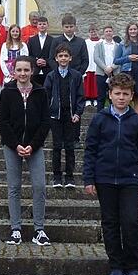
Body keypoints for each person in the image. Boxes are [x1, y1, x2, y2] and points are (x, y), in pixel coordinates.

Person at [83, 73, 138, 275]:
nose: (121, 97)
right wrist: (89, 178)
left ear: (131, 96)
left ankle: (132, 267)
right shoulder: (99, 119)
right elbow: (90, 150)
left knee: (130, 222)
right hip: (104, 178)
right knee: (110, 223)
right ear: (110, 95)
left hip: (130, 179)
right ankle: (115, 267)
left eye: (125, 94)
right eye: (117, 94)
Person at [0, 56, 50, 247]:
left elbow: (45, 122)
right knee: (14, 187)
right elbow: (3, 122)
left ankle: (39, 229)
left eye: (26, 70)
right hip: (12, 146)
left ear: (32, 71)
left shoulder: (40, 91)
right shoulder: (7, 92)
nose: (22, 74)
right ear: (14, 72)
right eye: (19, 70)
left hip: (34, 146)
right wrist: (15, 145)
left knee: (39, 186)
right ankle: (16, 229)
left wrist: (33, 145)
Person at [44, 44, 84, 188]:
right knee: (56, 146)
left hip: (70, 115)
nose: (63, 58)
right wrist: (48, 113)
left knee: (70, 146)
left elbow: (80, 96)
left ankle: (69, 177)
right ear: (56, 58)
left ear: (70, 58)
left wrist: (78, 113)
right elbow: (46, 96)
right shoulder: (51, 76)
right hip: (55, 115)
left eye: (66, 56)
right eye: (60, 56)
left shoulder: (76, 76)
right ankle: (56, 176)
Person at [113, 23, 138, 114]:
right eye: (131, 29)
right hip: (126, 74)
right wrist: (128, 58)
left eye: (134, 29)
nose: (133, 31)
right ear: (128, 31)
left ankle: (137, 121)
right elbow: (116, 60)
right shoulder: (122, 44)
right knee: (125, 96)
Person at [92, 25, 118, 110]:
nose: (108, 33)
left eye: (110, 31)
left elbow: (120, 58)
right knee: (101, 97)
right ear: (103, 33)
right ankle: (100, 117)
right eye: (106, 31)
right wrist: (105, 68)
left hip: (115, 74)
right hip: (101, 73)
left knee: (114, 96)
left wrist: (112, 68)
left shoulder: (118, 46)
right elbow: (96, 58)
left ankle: (113, 115)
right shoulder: (98, 45)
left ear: (113, 33)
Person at [26, 15, 54, 86]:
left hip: (48, 71)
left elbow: (54, 56)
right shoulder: (32, 40)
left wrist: (46, 62)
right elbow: (29, 55)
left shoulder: (53, 40)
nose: (42, 26)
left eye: (44, 24)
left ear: (47, 25)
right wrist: (36, 61)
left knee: (47, 92)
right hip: (35, 71)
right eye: (40, 24)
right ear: (37, 26)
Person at [83, 24, 101, 107]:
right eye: (91, 32)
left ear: (98, 31)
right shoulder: (86, 42)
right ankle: (87, 99)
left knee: (96, 84)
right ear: (89, 33)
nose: (93, 33)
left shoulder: (101, 42)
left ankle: (96, 99)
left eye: (95, 31)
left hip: (97, 66)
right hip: (89, 65)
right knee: (88, 83)